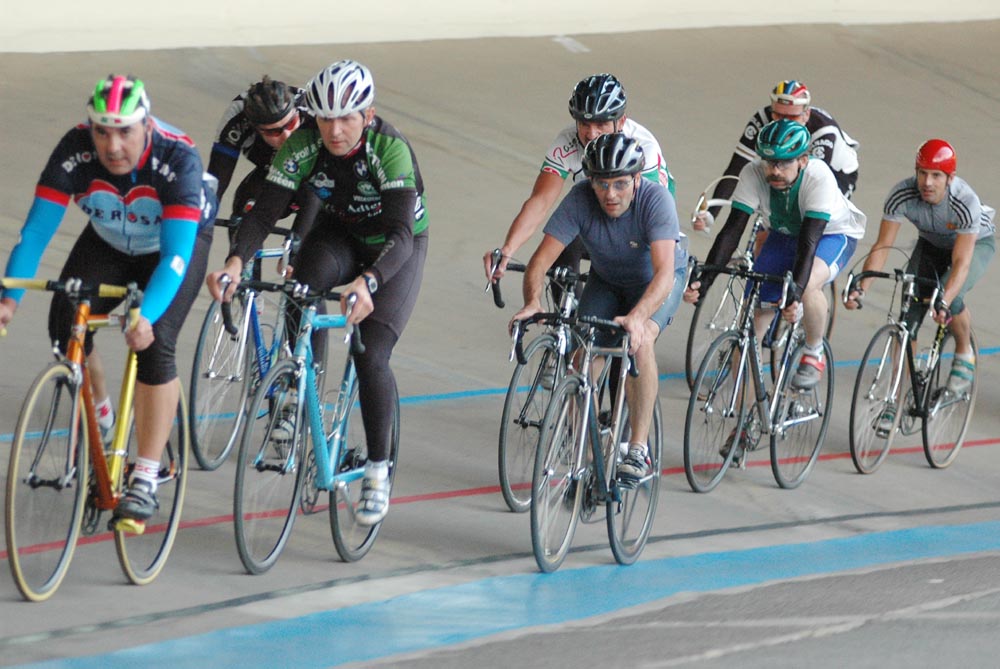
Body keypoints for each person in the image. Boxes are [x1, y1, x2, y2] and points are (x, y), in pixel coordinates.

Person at [206, 59, 428, 526]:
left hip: (393, 248)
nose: (334, 130)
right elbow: (263, 214)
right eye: (325, 119)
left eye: (346, 118)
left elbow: (402, 236)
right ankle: (301, 382)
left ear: (367, 115)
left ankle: (377, 470)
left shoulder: (390, 149)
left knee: (372, 354)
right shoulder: (302, 144)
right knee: (300, 289)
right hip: (340, 233)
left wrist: (369, 281)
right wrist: (235, 261)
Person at [0, 75, 216, 521]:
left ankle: (146, 476)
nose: (112, 146)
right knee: (66, 325)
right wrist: (8, 299)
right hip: (110, 240)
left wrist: (145, 316)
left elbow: (176, 258)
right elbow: (35, 234)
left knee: (155, 342)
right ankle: (102, 418)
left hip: (172, 246)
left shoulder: (177, 158)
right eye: (102, 131)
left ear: (147, 127)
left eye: (124, 132)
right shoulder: (74, 149)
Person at [510, 132, 684, 483]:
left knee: (641, 342)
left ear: (637, 179)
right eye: (601, 184)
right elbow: (541, 261)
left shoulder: (656, 200)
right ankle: (586, 456)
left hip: (655, 283)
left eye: (620, 184)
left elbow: (664, 273)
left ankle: (637, 448)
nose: (610, 194)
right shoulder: (580, 199)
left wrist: (638, 317)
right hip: (607, 280)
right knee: (581, 359)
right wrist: (532, 301)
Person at [685, 119, 866, 391]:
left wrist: (795, 293)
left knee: (808, 285)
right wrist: (706, 280)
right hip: (784, 234)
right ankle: (747, 413)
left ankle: (813, 350)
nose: (775, 170)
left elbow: (809, 242)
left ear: (803, 160)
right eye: (769, 162)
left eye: (783, 163)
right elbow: (732, 231)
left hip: (831, 234)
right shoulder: (753, 173)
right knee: (750, 330)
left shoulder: (818, 177)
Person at [485, 73, 676, 282]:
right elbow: (541, 200)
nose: (591, 134)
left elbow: (647, 214)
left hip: (641, 220)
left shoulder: (643, 148)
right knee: (560, 246)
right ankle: (570, 302)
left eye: (601, 124)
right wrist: (508, 248)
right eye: (584, 123)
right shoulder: (566, 143)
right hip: (599, 208)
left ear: (620, 121)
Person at [845, 139, 994, 406]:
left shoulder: (964, 202)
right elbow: (882, 246)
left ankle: (964, 352)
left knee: (950, 295)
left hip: (974, 244)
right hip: (931, 245)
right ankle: (895, 397)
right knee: (908, 316)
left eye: (936, 175)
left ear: (950, 178)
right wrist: (862, 288)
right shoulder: (902, 194)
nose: (927, 182)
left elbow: (961, 262)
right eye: (922, 173)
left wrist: (944, 301)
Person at [694, 79, 859, 232]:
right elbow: (737, 167)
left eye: (792, 117)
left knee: (804, 224)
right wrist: (711, 213)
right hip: (787, 167)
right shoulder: (762, 118)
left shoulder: (823, 132)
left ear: (806, 114)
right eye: (778, 115)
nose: (783, 121)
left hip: (839, 172)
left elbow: (813, 182)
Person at [207, 75, 319, 269]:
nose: (287, 136)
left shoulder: (313, 113)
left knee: (314, 198)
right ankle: (245, 276)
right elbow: (216, 181)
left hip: (314, 181)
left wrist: (296, 247)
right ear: (255, 128)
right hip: (271, 174)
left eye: (291, 124)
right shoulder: (237, 119)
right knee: (245, 205)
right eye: (274, 132)